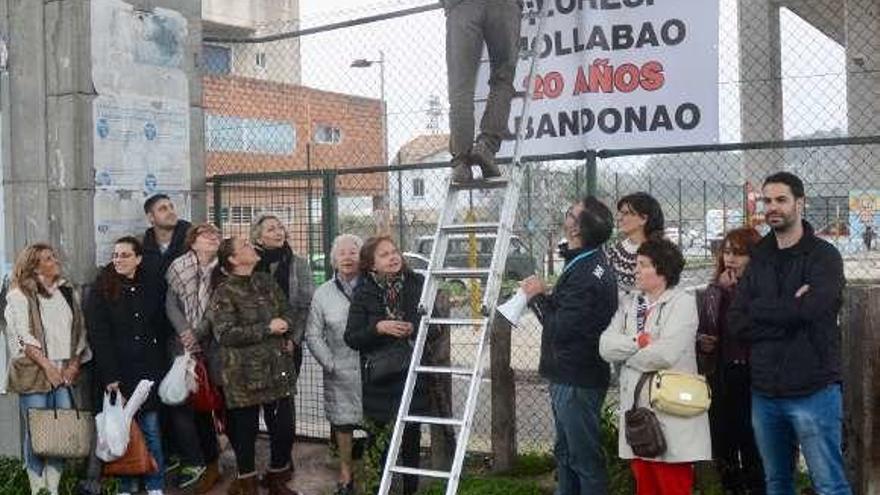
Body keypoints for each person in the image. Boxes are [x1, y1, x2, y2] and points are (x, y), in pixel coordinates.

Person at [729, 172, 852, 495]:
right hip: (765, 393)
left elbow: (814, 310)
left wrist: (762, 309)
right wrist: (789, 310)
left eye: (781, 200)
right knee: (777, 483)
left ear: (800, 203)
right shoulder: (759, 257)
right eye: (767, 200)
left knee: (829, 484)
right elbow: (737, 321)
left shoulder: (824, 256)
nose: (773, 207)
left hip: (814, 391)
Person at [519, 196, 618, 495]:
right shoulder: (588, 262)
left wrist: (536, 296)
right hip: (572, 374)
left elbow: (560, 328)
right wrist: (549, 298)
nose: (566, 214)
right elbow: (570, 317)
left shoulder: (587, 273)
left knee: (583, 459)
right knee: (566, 453)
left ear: (577, 230)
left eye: (571, 212)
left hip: (575, 378)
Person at [600, 238, 711, 495]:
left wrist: (625, 354)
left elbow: (665, 355)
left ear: (662, 270)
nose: (635, 270)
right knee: (645, 486)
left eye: (643, 265)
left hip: (671, 411)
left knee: (673, 485)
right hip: (638, 413)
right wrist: (638, 342)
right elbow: (605, 346)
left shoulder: (682, 303)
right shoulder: (630, 304)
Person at [205, 236, 301, 495]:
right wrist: (267, 328)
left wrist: (287, 326)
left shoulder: (266, 281)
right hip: (243, 375)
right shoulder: (224, 291)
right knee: (244, 432)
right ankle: (246, 483)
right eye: (245, 246)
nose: (252, 247)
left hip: (276, 368)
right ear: (234, 260)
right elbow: (224, 334)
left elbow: (289, 311)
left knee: (284, 429)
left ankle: (276, 478)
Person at [344, 235, 429, 495]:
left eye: (395, 252)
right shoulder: (364, 290)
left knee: (411, 438)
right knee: (379, 442)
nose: (393, 257)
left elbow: (436, 327)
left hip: (411, 374)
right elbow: (352, 337)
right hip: (380, 379)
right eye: (384, 254)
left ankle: (410, 490)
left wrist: (417, 328)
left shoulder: (418, 283)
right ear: (371, 265)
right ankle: (380, 488)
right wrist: (378, 328)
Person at [4, 244, 91, 495]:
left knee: (61, 431)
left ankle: (52, 488)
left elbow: (80, 329)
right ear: (34, 265)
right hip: (34, 371)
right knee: (37, 431)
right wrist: (48, 367)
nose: (55, 261)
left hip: (64, 372)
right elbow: (23, 335)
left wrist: (74, 363)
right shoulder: (19, 293)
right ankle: (36, 487)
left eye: (54, 256)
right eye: (48, 259)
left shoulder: (66, 290)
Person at [86, 237, 167, 495]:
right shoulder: (102, 289)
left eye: (125, 255)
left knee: (151, 429)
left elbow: (160, 325)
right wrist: (110, 376)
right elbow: (99, 335)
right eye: (115, 255)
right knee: (120, 432)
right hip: (117, 371)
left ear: (138, 259)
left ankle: (155, 485)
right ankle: (126, 485)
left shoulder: (151, 285)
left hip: (147, 370)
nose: (118, 259)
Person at [696, 227, 765, 494]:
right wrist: (718, 291)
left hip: (754, 375)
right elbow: (708, 328)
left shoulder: (762, 290)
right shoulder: (717, 289)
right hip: (723, 374)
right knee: (724, 442)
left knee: (753, 445)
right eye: (726, 252)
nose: (731, 259)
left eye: (739, 253)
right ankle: (731, 488)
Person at [164, 223, 223, 492]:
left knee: (210, 402)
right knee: (182, 403)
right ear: (193, 241)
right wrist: (185, 332)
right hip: (181, 344)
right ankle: (193, 459)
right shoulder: (179, 266)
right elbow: (171, 303)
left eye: (216, 235)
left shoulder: (223, 269)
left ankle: (212, 459)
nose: (213, 238)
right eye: (206, 235)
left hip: (214, 345)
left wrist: (198, 333)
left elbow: (217, 308)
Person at [305, 234, 364, 495]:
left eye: (354, 252)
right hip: (340, 368)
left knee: (377, 420)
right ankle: (345, 472)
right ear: (333, 260)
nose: (348, 257)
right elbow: (313, 334)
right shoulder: (323, 293)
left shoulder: (374, 286)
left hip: (373, 367)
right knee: (342, 423)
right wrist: (329, 363)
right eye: (342, 253)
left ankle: (375, 470)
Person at [444, 0, 522, 182]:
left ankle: (461, 162)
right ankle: (486, 146)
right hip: (503, 6)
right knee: (502, 79)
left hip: (462, 6)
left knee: (460, 88)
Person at [604, 192, 665, 302]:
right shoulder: (614, 252)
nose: (619, 218)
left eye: (626, 213)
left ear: (643, 219)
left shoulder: (661, 253)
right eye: (620, 213)